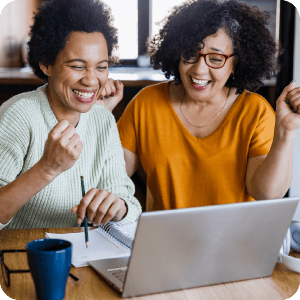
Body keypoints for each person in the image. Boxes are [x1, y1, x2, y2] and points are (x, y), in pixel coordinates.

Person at [110, 0, 300, 211]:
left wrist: (286, 132)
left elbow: (267, 193)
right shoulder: (147, 103)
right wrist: (99, 116)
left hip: (235, 241)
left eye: (216, 59)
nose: (199, 70)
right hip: (166, 240)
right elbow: (110, 176)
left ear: (235, 63)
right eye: (191, 54)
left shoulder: (255, 111)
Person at [0, 0, 141, 229]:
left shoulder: (102, 119)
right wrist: (47, 169)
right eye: (77, 66)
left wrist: (118, 207)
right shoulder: (18, 116)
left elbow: (129, 203)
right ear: (46, 64)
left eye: (101, 67)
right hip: (20, 257)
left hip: (82, 256)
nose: (91, 80)